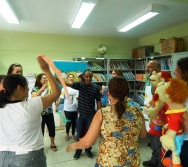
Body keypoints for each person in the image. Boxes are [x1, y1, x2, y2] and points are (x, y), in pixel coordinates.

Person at [66, 76, 147, 166]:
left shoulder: (102, 113)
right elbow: (143, 135)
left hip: (108, 162)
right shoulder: (137, 111)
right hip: (132, 163)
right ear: (126, 93)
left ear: (109, 93)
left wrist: (73, 146)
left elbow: (87, 142)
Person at [0, 57, 60, 167]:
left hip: (3, 157)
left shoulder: (2, 106)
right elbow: (57, 92)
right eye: (27, 86)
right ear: (19, 88)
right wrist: (47, 70)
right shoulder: (32, 106)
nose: (28, 89)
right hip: (29, 157)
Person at [66, 69, 102, 160]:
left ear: (92, 76)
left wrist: (100, 112)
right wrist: (57, 79)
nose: (88, 78)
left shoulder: (95, 87)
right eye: (87, 76)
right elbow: (69, 84)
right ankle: (78, 150)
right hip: (81, 114)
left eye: (90, 76)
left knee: (89, 134)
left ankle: (88, 150)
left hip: (91, 115)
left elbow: (98, 100)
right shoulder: (80, 85)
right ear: (84, 77)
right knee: (80, 133)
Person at [31, 73, 58, 152]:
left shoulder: (50, 87)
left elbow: (53, 96)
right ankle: (41, 145)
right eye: (44, 78)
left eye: (47, 78)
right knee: (40, 130)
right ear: (39, 80)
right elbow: (33, 98)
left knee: (51, 128)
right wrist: (42, 89)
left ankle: (52, 143)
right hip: (39, 114)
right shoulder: (35, 88)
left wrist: (55, 100)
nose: (46, 79)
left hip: (49, 112)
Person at [143, 60, 162, 167]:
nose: (147, 68)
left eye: (150, 67)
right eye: (147, 66)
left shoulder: (160, 83)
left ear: (158, 70)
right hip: (148, 116)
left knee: (157, 143)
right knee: (152, 142)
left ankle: (160, 163)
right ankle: (154, 160)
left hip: (157, 118)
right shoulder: (149, 80)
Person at [173, 57, 188, 167]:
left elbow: (186, 126)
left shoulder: (184, 95)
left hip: (184, 141)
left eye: (177, 70)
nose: (174, 72)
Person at [56, 73, 79, 141]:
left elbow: (78, 97)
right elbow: (61, 97)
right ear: (67, 78)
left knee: (74, 122)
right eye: (70, 77)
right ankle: (67, 133)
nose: (71, 78)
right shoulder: (64, 88)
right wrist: (57, 103)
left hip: (75, 108)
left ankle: (73, 134)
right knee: (68, 122)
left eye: (72, 77)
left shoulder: (77, 88)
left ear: (74, 79)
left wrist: (78, 98)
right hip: (67, 109)